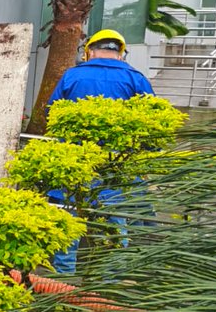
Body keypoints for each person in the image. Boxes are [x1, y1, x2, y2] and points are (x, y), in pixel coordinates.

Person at [45, 29, 154, 273]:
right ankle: (109, 285)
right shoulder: (136, 79)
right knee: (114, 225)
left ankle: (62, 283)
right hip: (115, 166)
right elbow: (152, 123)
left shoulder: (72, 76)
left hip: (73, 163)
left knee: (68, 224)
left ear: (89, 52)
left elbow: (50, 114)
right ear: (121, 53)